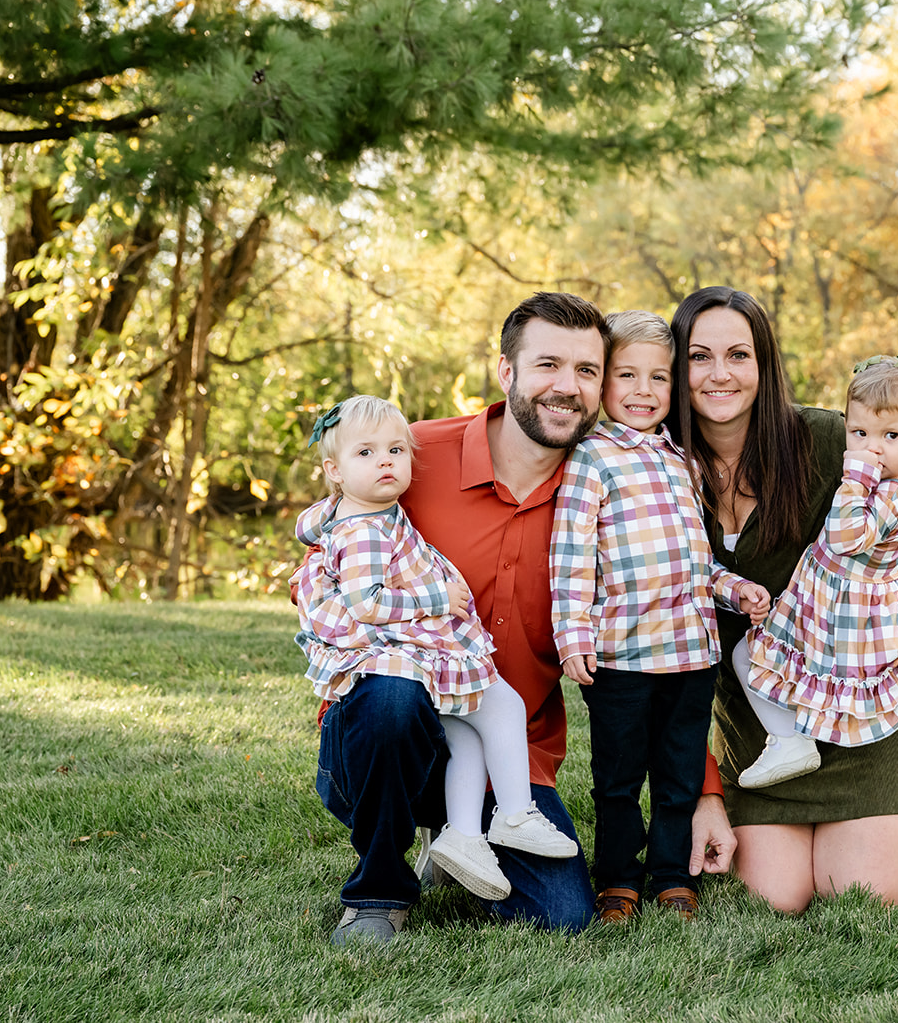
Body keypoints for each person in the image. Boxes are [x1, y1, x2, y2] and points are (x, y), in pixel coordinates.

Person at [307, 292, 613, 945]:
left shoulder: (604, 492)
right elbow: (330, 544)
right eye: (548, 364)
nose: (568, 385)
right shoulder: (410, 455)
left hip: (506, 753)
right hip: (387, 732)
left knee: (563, 916)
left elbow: (652, 637)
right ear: (505, 371)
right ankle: (378, 892)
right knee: (391, 694)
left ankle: (460, 835)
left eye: (587, 370)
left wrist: (700, 788)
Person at [668, 286, 898, 912]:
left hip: (866, 700)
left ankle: (890, 826)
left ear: (765, 365)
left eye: (739, 354)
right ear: (676, 368)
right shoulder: (655, 469)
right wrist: (705, 792)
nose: (720, 374)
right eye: (699, 356)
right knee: (777, 895)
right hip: (769, 718)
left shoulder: (831, 441)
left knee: (864, 893)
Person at [291, 395, 579, 906]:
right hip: (408, 662)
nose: (386, 461)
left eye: (397, 450)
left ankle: (463, 837)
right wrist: (439, 596)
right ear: (333, 471)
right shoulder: (362, 530)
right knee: (498, 707)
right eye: (366, 453)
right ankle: (514, 816)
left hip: (432, 659)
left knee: (467, 736)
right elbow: (365, 603)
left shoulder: (378, 513)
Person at [549, 310, 770, 922]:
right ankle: (618, 878)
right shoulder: (592, 459)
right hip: (621, 655)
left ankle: (672, 876)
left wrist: (736, 590)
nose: (644, 392)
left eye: (659, 378)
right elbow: (570, 558)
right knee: (617, 780)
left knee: (677, 778)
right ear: (604, 385)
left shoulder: (682, 460)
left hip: (692, 655)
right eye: (627, 376)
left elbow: (697, 562)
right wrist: (572, 635)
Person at [736, 352, 898, 789]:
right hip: (894, 585)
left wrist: (854, 479)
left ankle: (788, 740)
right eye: (859, 433)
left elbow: (845, 537)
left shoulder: (886, 491)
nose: (873, 447)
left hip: (840, 599)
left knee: (751, 654)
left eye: (890, 435)